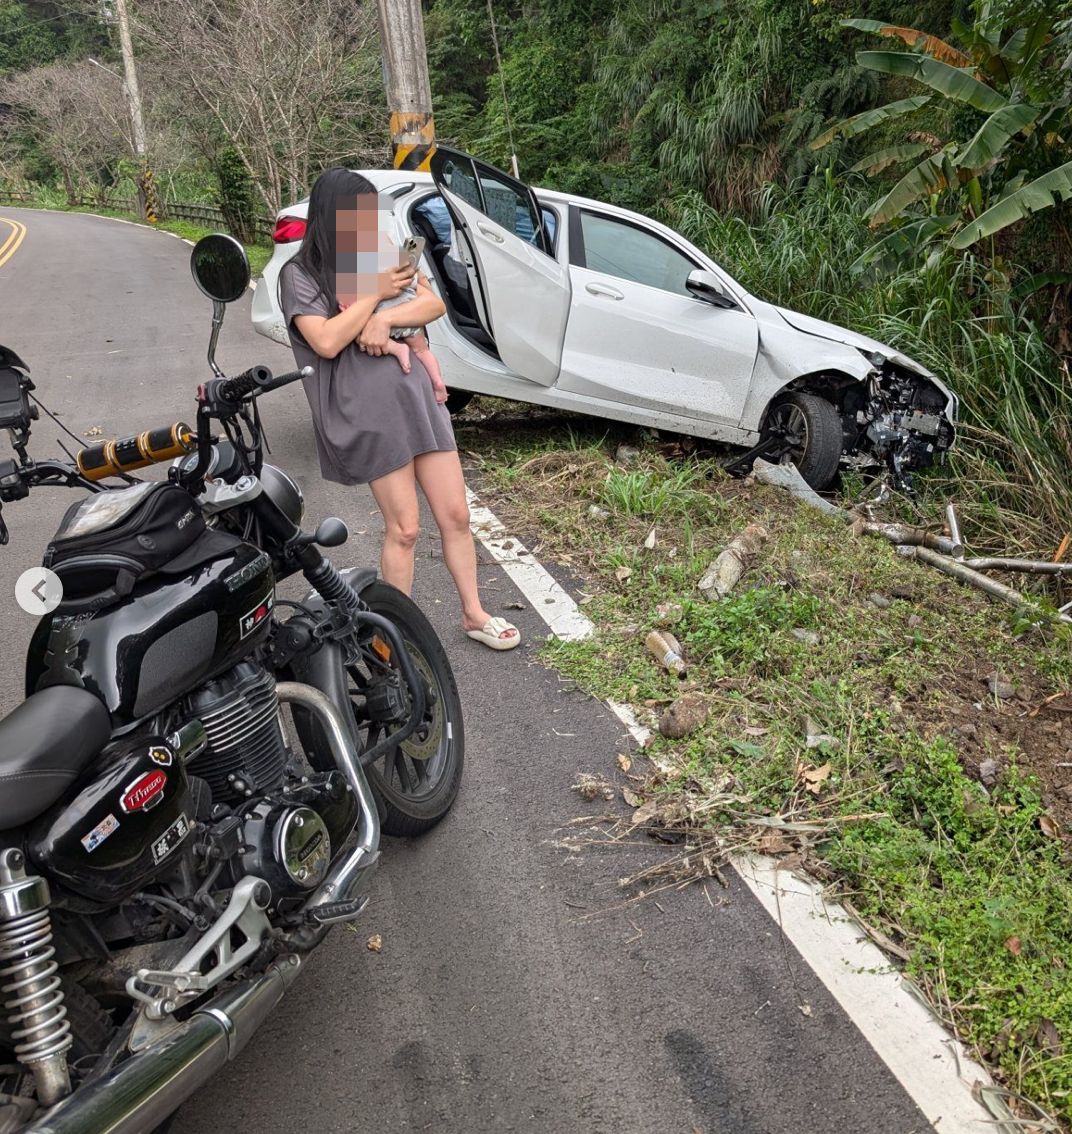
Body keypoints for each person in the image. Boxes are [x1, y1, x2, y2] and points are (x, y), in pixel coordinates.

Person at [278, 167, 520, 650]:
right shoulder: (298, 274)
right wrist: (376, 297)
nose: (368, 225)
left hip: (416, 396)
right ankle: (392, 637)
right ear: (331, 216)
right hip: (365, 408)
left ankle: (473, 613)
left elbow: (431, 306)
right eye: (357, 216)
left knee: (455, 514)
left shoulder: (380, 253)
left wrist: (384, 316)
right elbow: (326, 341)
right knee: (405, 528)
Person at [337, 233, 448, 405]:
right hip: (409, 317)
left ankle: (396, 348)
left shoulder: (366, 274)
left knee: (356, 327)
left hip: (381, 324)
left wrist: (346, 304)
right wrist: (418, 274)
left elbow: (353, 296)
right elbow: (429, 295)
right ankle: (438, 381)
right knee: (422, 351)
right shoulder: (404, 271)